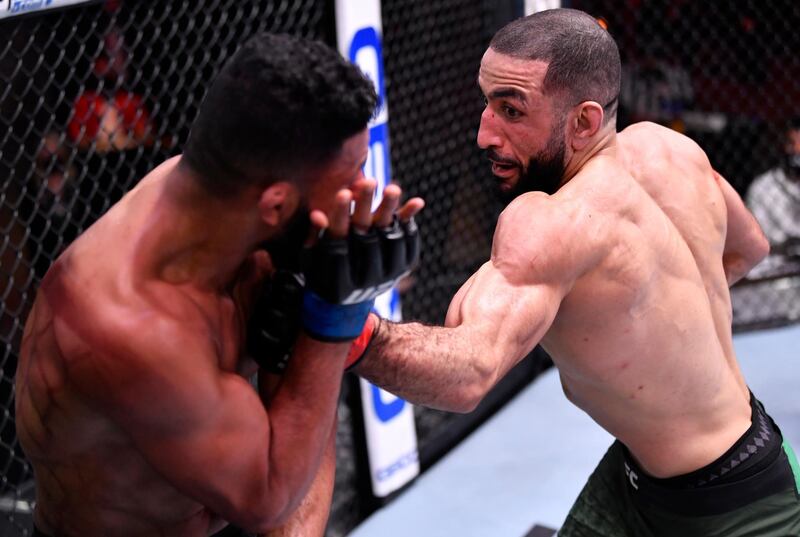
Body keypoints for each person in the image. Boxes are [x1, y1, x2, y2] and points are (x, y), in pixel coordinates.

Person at [346, 9, 800, 536]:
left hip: (739, 515)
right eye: (486, 103)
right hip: (681, 466)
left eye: (511, 110)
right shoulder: (669, 148)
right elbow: (750, 247)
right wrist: (659, 320)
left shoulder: (553, 222)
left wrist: (347, 330)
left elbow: (469, 374)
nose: (483, 135)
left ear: (583, 121)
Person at [14, 32, 423, 537]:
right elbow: (269, 499)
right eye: (352, 174)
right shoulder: (130, 327)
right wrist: (333, 317)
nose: (364, 191)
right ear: (275, 205)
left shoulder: (219, 203)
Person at [745, 118, 800, 277]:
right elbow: (758, 242)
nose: (794, 150)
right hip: (772, 269)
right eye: (791, 143)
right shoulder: (764, 187)